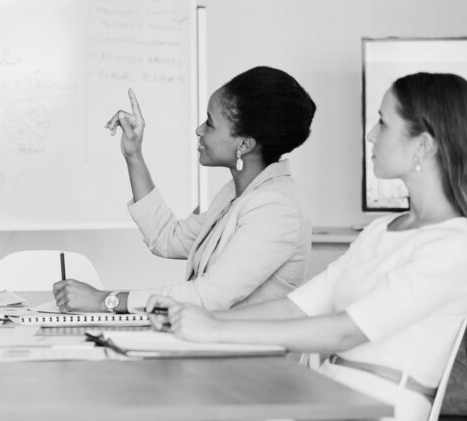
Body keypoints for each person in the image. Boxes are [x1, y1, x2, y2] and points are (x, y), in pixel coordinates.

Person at [148, 72, 467, 421]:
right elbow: (296, 308)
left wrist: (214, 329)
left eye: (383, 123)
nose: (371, 134)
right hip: (327, 396)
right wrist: (192, 318)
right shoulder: (381, 230)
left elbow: (344, 330)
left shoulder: (453, 246)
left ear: (422, 145)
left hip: (375, 410)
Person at [54, 66, 317, 314]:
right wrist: (134, 155)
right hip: (215, 347)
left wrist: (105, 301)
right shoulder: (237, 194)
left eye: (210, 123)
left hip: (250, 359)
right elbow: (166, 238)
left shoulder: (276, 208)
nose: (199, 130)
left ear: (245, 144)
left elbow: (208, 297)